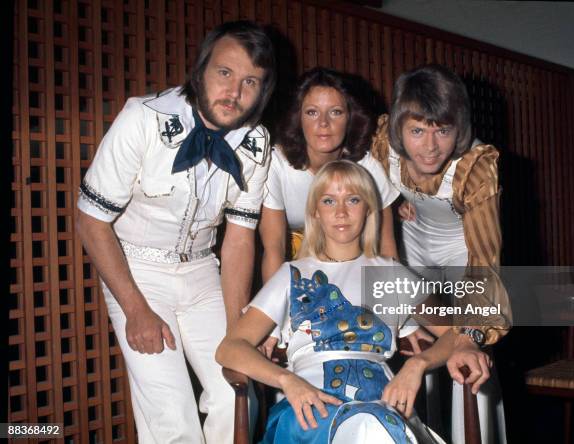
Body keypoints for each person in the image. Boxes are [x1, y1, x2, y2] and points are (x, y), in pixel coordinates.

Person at [75, 21, 276, 443]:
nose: (234, 92)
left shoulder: (257, 142)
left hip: (203, 270)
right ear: (201, 70)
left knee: (237, 392)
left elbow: (239, 238)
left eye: (250, 81)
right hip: (137, 271)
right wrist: (135, 309)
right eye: (225, 73)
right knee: (172, 417)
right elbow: (91, 221)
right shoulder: (142, 118)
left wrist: (239, 330)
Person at [216, 160, 492, 444]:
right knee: (369, 428)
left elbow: (457, 333)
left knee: (373, 425)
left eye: (353, 199)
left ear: (369, 209)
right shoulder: (293, 275)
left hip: (383, 405)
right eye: (328, 200)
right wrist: (287, 381)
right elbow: (230, 348)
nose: (341, 212)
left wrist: (417, 364)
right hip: (310, 410)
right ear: (315, 212)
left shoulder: (389, 273)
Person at [371, 64, 511, 444]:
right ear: (400, 127)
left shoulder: (475, 167)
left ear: (458, 129)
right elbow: (366, 190)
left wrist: (469, 333)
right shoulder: (383, 140)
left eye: (443, 131)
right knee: (417, 348)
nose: (430, 147)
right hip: (410, 247)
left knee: (468, 355)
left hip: (461, 252)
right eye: (417, 131)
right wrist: (395, 198)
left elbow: (484, 259)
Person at [258, 67, 434, 356]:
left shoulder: (366, 164)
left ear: (350, 117)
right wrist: (275, 322)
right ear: (298, 118)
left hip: (348, 267)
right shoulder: (277, 163)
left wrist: (403, 321)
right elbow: (274, 248)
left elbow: (386, 252)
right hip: (287, 270)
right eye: (312, 112)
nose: (323, 124)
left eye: (336, 112)